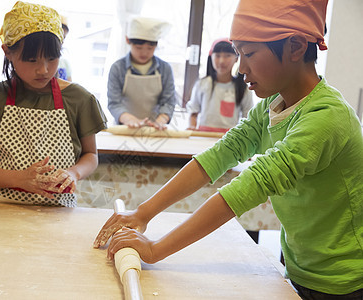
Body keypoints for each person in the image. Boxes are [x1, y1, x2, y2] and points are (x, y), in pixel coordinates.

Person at [94, 0, 363, 298]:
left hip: (345, 280)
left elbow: (251, 185)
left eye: (248, 53)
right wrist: (143, 213)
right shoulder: (274, 106)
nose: (239, 67)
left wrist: (157, 250)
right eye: (238, 54)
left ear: (296, 47)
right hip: (301, 267)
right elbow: (223, 152)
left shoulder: (327, 117)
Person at [0, 1, 107, 207]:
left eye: (52, 58)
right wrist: (19, 179)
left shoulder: (79, 99)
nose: (43, 70)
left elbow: (90, 155)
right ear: (8, 52)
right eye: (32, 60)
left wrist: (73, 172)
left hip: (58, 211)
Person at [107, 16, 175, 130]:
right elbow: (114, 103)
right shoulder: (118, 68)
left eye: (150, 48)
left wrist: (160, 121)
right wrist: (129, 119)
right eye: (139, 47)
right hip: (126, 128)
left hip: (155, 129)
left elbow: (168, 102)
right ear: (127, 40)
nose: (144, 52)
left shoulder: (165, 69)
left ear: (156, 45)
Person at [186, 38, 253, 133]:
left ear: (236, 59)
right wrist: (192, 126)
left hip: (230, 139)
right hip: (203, 136)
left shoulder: (243, 87)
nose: (221, 61)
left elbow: (248, 116)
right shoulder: (202, 84)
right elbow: (193, 110)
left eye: (227, 56)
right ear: (211, 58)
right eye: (217, 56)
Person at [56, 14, 72, 81]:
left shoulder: (64, 63)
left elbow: (69, 84)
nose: (62, 41)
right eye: (59, 37)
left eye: (64, 38)